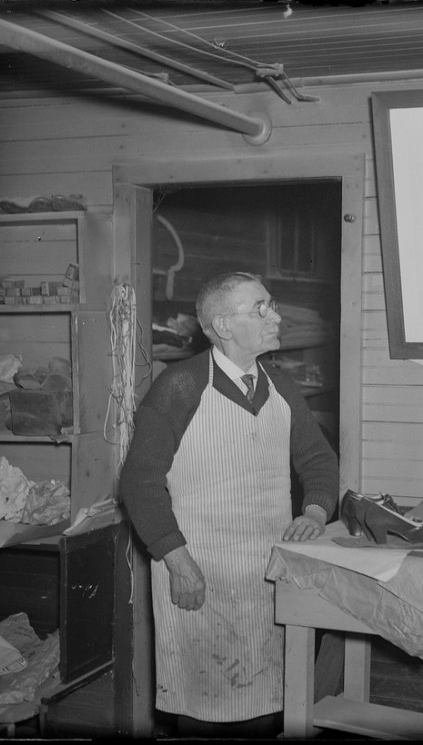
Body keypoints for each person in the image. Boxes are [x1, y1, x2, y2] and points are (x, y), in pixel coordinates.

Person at [119, 272, 338, 738]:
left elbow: (318, 459)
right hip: (199, 574)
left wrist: (314, 511)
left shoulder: (281, 386)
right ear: (222, 324)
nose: (275, 316)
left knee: (267, 701)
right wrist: (175, 559)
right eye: (260, 309)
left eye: (271, 304)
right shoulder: (179, 386)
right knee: (205, 705)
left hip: (265, 574)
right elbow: (139, 481)